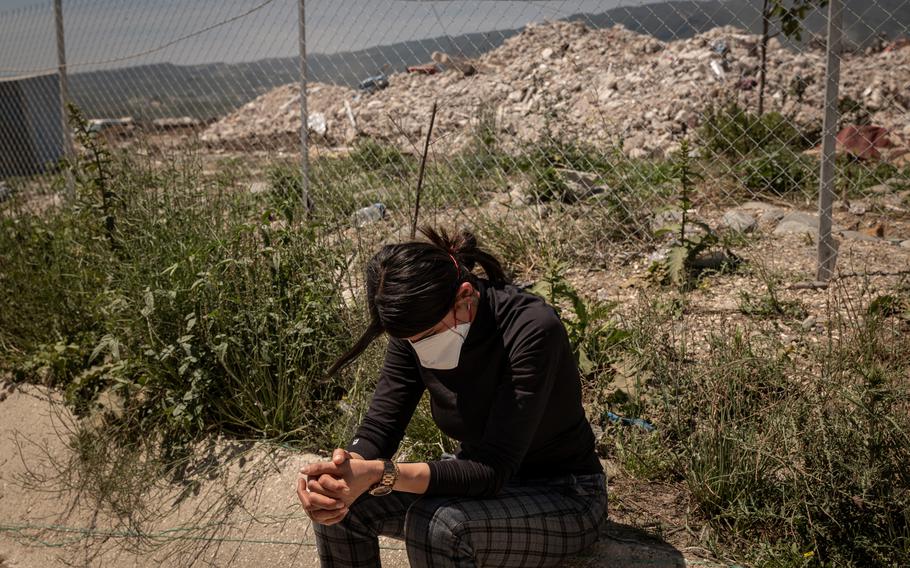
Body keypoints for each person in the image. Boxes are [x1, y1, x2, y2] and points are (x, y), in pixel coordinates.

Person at [297, 227, 606, 567]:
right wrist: (341, 472)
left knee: (439, 526)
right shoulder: (416, 325)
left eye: (426, 337)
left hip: (564, 493)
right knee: (340, 505)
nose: (417, 347)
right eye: (409, 341)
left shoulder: (531, 329)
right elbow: (380, 427)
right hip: (477, 483)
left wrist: (381, 472)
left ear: (465, 297)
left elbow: (494, 469)